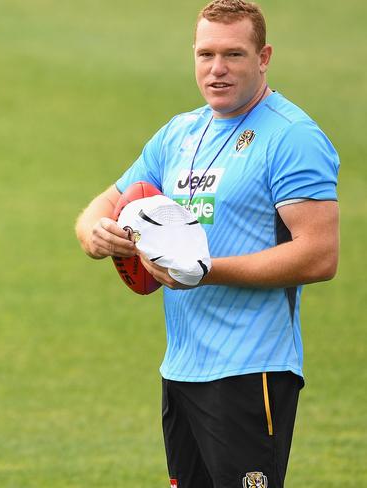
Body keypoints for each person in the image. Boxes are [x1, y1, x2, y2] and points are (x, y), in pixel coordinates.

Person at [75, 1, 339, 487]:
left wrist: (205, 269)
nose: (217, 70)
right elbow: (102, 205)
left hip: (251, 368)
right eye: (206, 54)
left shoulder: (292, 137)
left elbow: (320, 255)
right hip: (181, 368)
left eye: (234, 55)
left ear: (264, 58)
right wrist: (96, 233)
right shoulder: (180, 133)